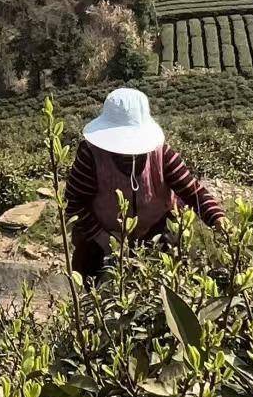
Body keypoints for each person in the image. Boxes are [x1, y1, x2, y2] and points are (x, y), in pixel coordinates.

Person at [64, 88, 225, 279]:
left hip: (157, 230)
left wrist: (218, 218)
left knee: (166, 283)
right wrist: (105, 240)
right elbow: (75, 203)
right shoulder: (91, 155)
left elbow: (192, 192)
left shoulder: (161, 153)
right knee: (95, 286)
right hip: (102, 233)